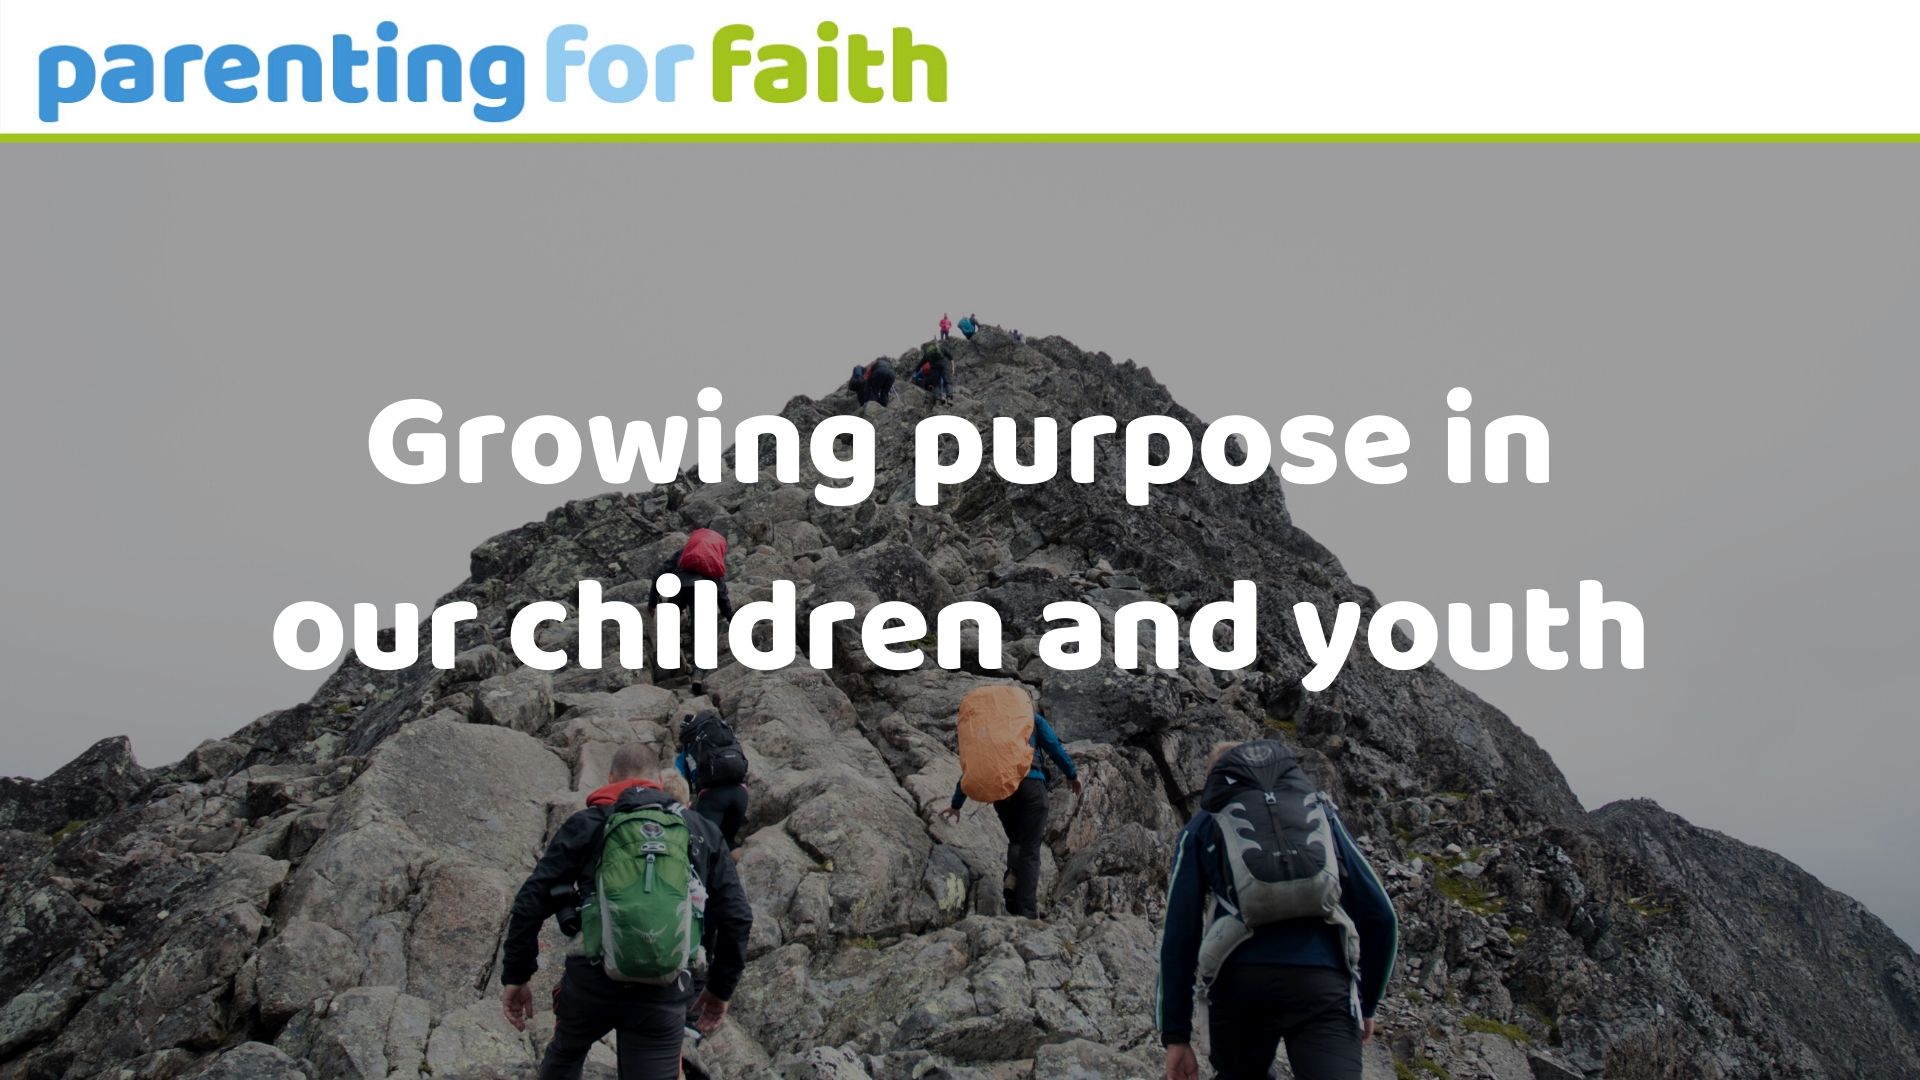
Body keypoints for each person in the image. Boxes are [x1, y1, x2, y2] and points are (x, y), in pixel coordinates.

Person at [500, 743, 753, 1080]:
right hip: (663, 987)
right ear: (658, 784)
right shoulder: (698, 829)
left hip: (590, 983)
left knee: (566, 1054)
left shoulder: (589, 823)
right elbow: (737, 916)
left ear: (609, 778)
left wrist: (517, 976)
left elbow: (531, 899)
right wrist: (720, 990)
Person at [1157, 741, 1397, 1080]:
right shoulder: (1320, 813)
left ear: (1216, 781)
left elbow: (1179, 935)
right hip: (1324, 984)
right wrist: (1366, 1003)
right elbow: (1381, 915)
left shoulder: (1203, 825)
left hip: (1241, 984)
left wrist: (1176, 1035)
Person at [938, 708, 1080, 918]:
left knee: (1017, 840)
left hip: (1001, 789)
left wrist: (957, 803)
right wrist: (1071, 773)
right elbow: (1053, 746)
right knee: (1030, 849)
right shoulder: (1032, 719)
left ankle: (1012, 880)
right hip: (1031, 785)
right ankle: (1028, 913)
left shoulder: (992, 727)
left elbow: (977, 765)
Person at [646, 528, 734, 694]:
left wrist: (652, 603)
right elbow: (722, 594)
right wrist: (732, 618)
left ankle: (668, 670)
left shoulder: (683, 554)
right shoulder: (712, 560)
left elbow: (659, 574)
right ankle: (697, 675)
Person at [676, 709, 751, 855]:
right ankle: (744, 871)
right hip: (741, 794)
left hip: (713, 797)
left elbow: (679, 785)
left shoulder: (689, 749)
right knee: (728, 842)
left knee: (704, 845)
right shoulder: (727, 736)